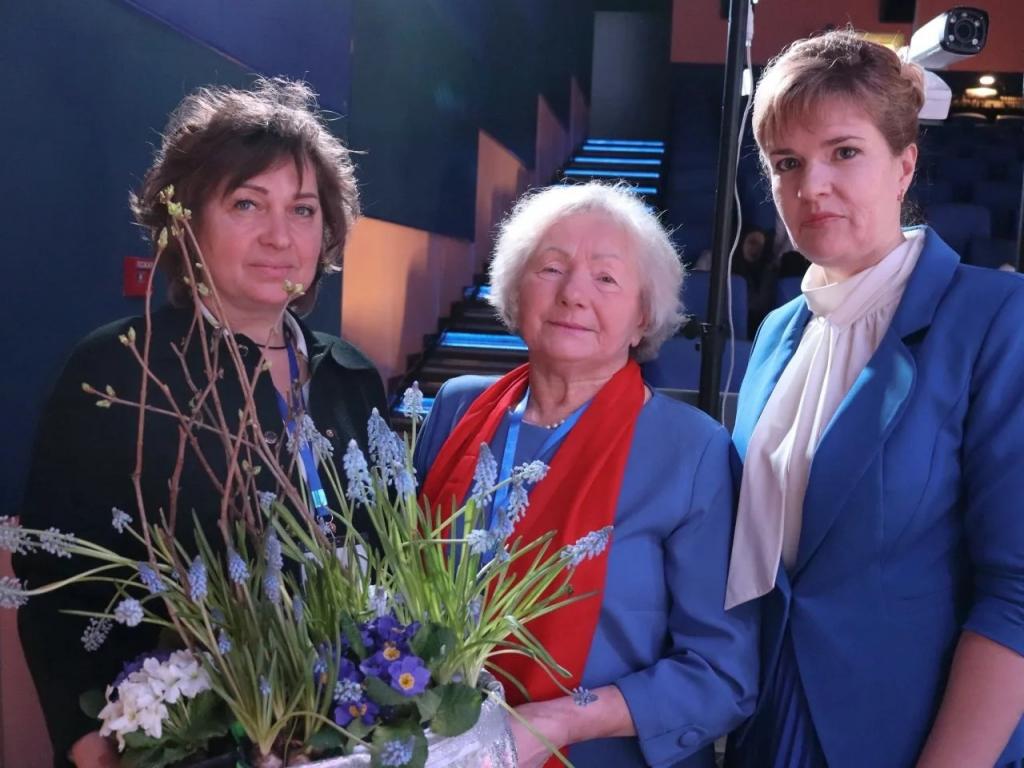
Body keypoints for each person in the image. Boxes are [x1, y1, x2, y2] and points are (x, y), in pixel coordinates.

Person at [15, 78, 388, 768]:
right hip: (179, 746)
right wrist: (91, 743)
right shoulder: (120, 371)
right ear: (185, 222)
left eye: (303, 210)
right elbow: (55, 577)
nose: (280, 235)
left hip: (343, 737)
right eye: (247, 203)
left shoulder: (352, 378)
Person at [723, 31, 1024, 768]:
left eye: (844, 152)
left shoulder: (992, 318)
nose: (811, 186)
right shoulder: (778, 330)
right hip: (765, 719)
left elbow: (1017, 594)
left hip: (909, 738)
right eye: (787, 163)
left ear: (904, 165)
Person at [415, 182, 759, 767]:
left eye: (606, 278)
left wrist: (556, 722)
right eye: (551, 268)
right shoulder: (456, 408)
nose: (573, 294)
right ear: (514, 289)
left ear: (642, 317)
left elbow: (721, 673)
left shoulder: (691, 449)